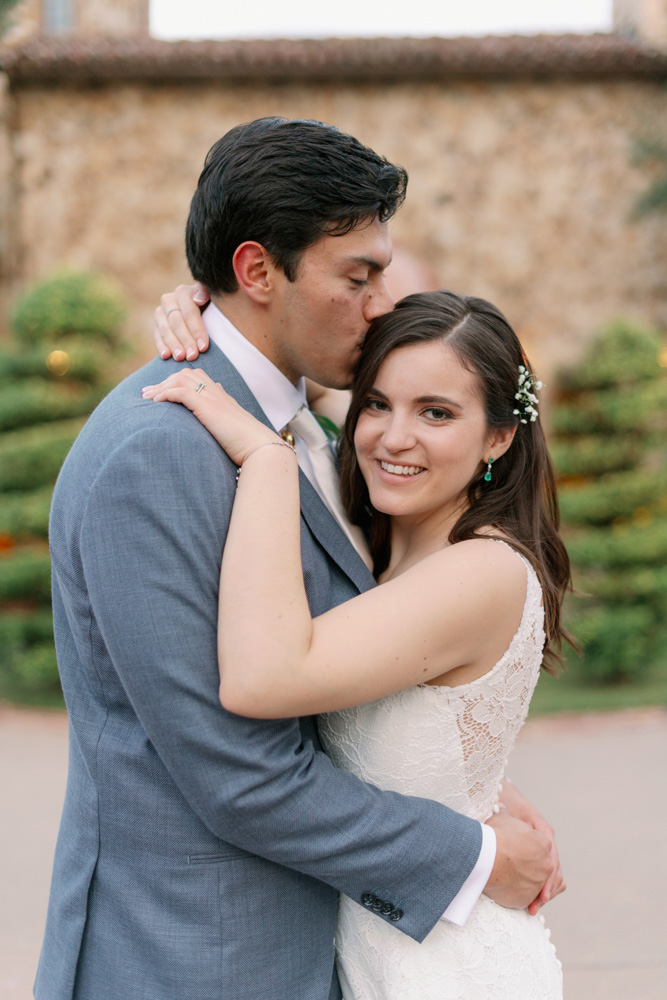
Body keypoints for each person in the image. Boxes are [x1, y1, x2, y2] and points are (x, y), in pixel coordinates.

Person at [37, 118, 559, 1000]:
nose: (381, 304)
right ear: (255, 272)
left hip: (328, 947)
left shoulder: (303, 427)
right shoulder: (160, 453)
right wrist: (472, 854)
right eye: (357, 276)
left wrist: (472, 789)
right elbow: (238, 773)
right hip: (193, 959)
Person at [142, 289, 568, 998]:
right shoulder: (377, 546)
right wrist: (196, 309)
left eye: (436, 412)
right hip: (383, 945)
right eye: (376, 404)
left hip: (446, 969)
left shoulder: (480, 571)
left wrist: (266, 461)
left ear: (498, 436)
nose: (392, 437)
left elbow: (260, 681)